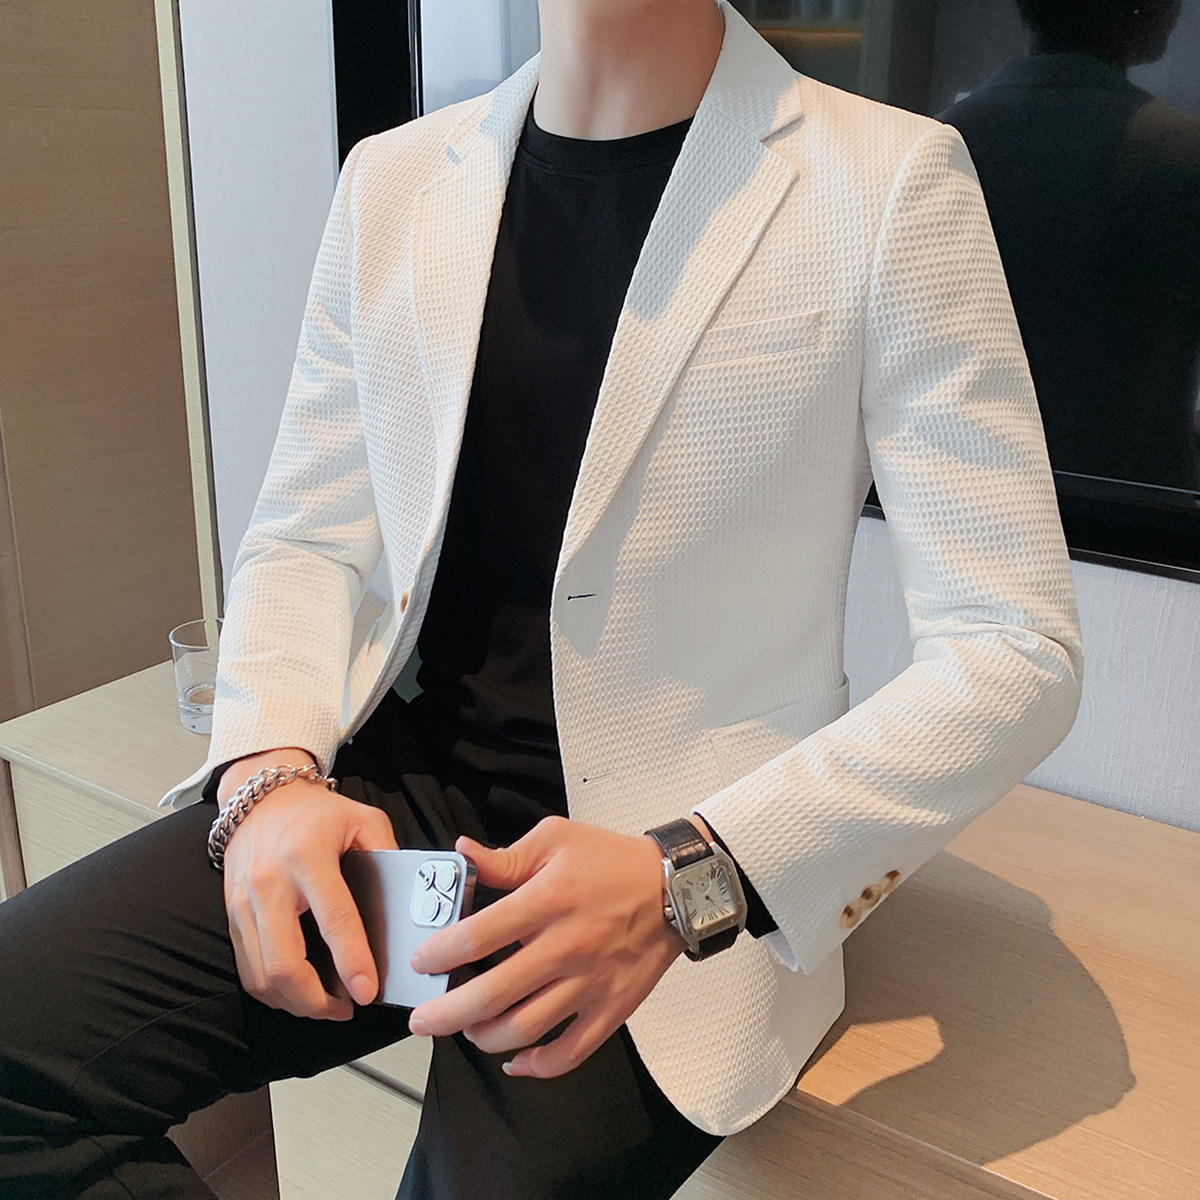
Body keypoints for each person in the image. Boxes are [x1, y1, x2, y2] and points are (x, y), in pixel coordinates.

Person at [0, 2, 1083, 1198]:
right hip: (396, 800)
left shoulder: (887, 181)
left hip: (664, 858)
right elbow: (307, 535)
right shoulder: (393, 180)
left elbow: (1013, 649)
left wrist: (691, 876)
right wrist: (267, 773)